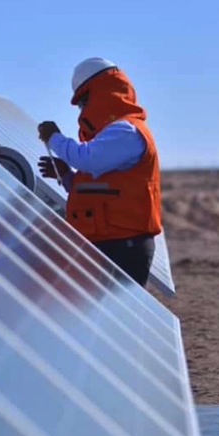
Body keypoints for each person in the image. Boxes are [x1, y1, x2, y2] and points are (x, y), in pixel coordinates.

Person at [37, 57, 162, 286]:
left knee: (120, 317)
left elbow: (88, 160)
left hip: (124, 247)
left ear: (103, 93)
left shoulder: (127, 131)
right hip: (110, 243)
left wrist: (54, 138)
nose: (83, 110)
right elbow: (102, 188)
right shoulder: (110, 136)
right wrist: (66, 176)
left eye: (85, 101)